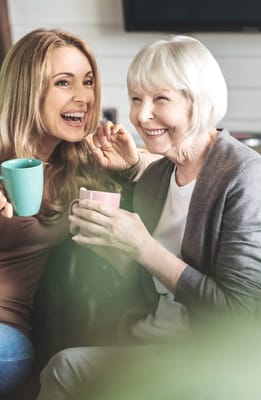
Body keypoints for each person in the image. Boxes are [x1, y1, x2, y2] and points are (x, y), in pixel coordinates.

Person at [36, 35, 261, 399]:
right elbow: (151, 282)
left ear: (198, 102)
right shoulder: (158, 177)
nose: (142, 116)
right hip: (157, 340)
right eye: (136, 99)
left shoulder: (247, 177)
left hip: (234, 357)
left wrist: (142, 246)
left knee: (65, 369)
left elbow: (235, 312)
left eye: (161, 99)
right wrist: (113, 247)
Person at [0, 28, 141, 395]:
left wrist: (131, 170)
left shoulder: (78, 168)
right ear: (28, 90)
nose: (84, 97)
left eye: (89, 81)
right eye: (64, 82)